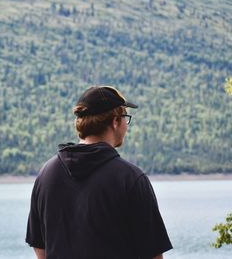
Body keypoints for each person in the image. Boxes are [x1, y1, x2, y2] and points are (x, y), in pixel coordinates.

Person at [25, 86, 172, 259]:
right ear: (115, 121)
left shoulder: (46, 175)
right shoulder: (130, 179)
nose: (127, 125)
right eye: (125, 118)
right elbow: (153, 255)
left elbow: (40, 248)